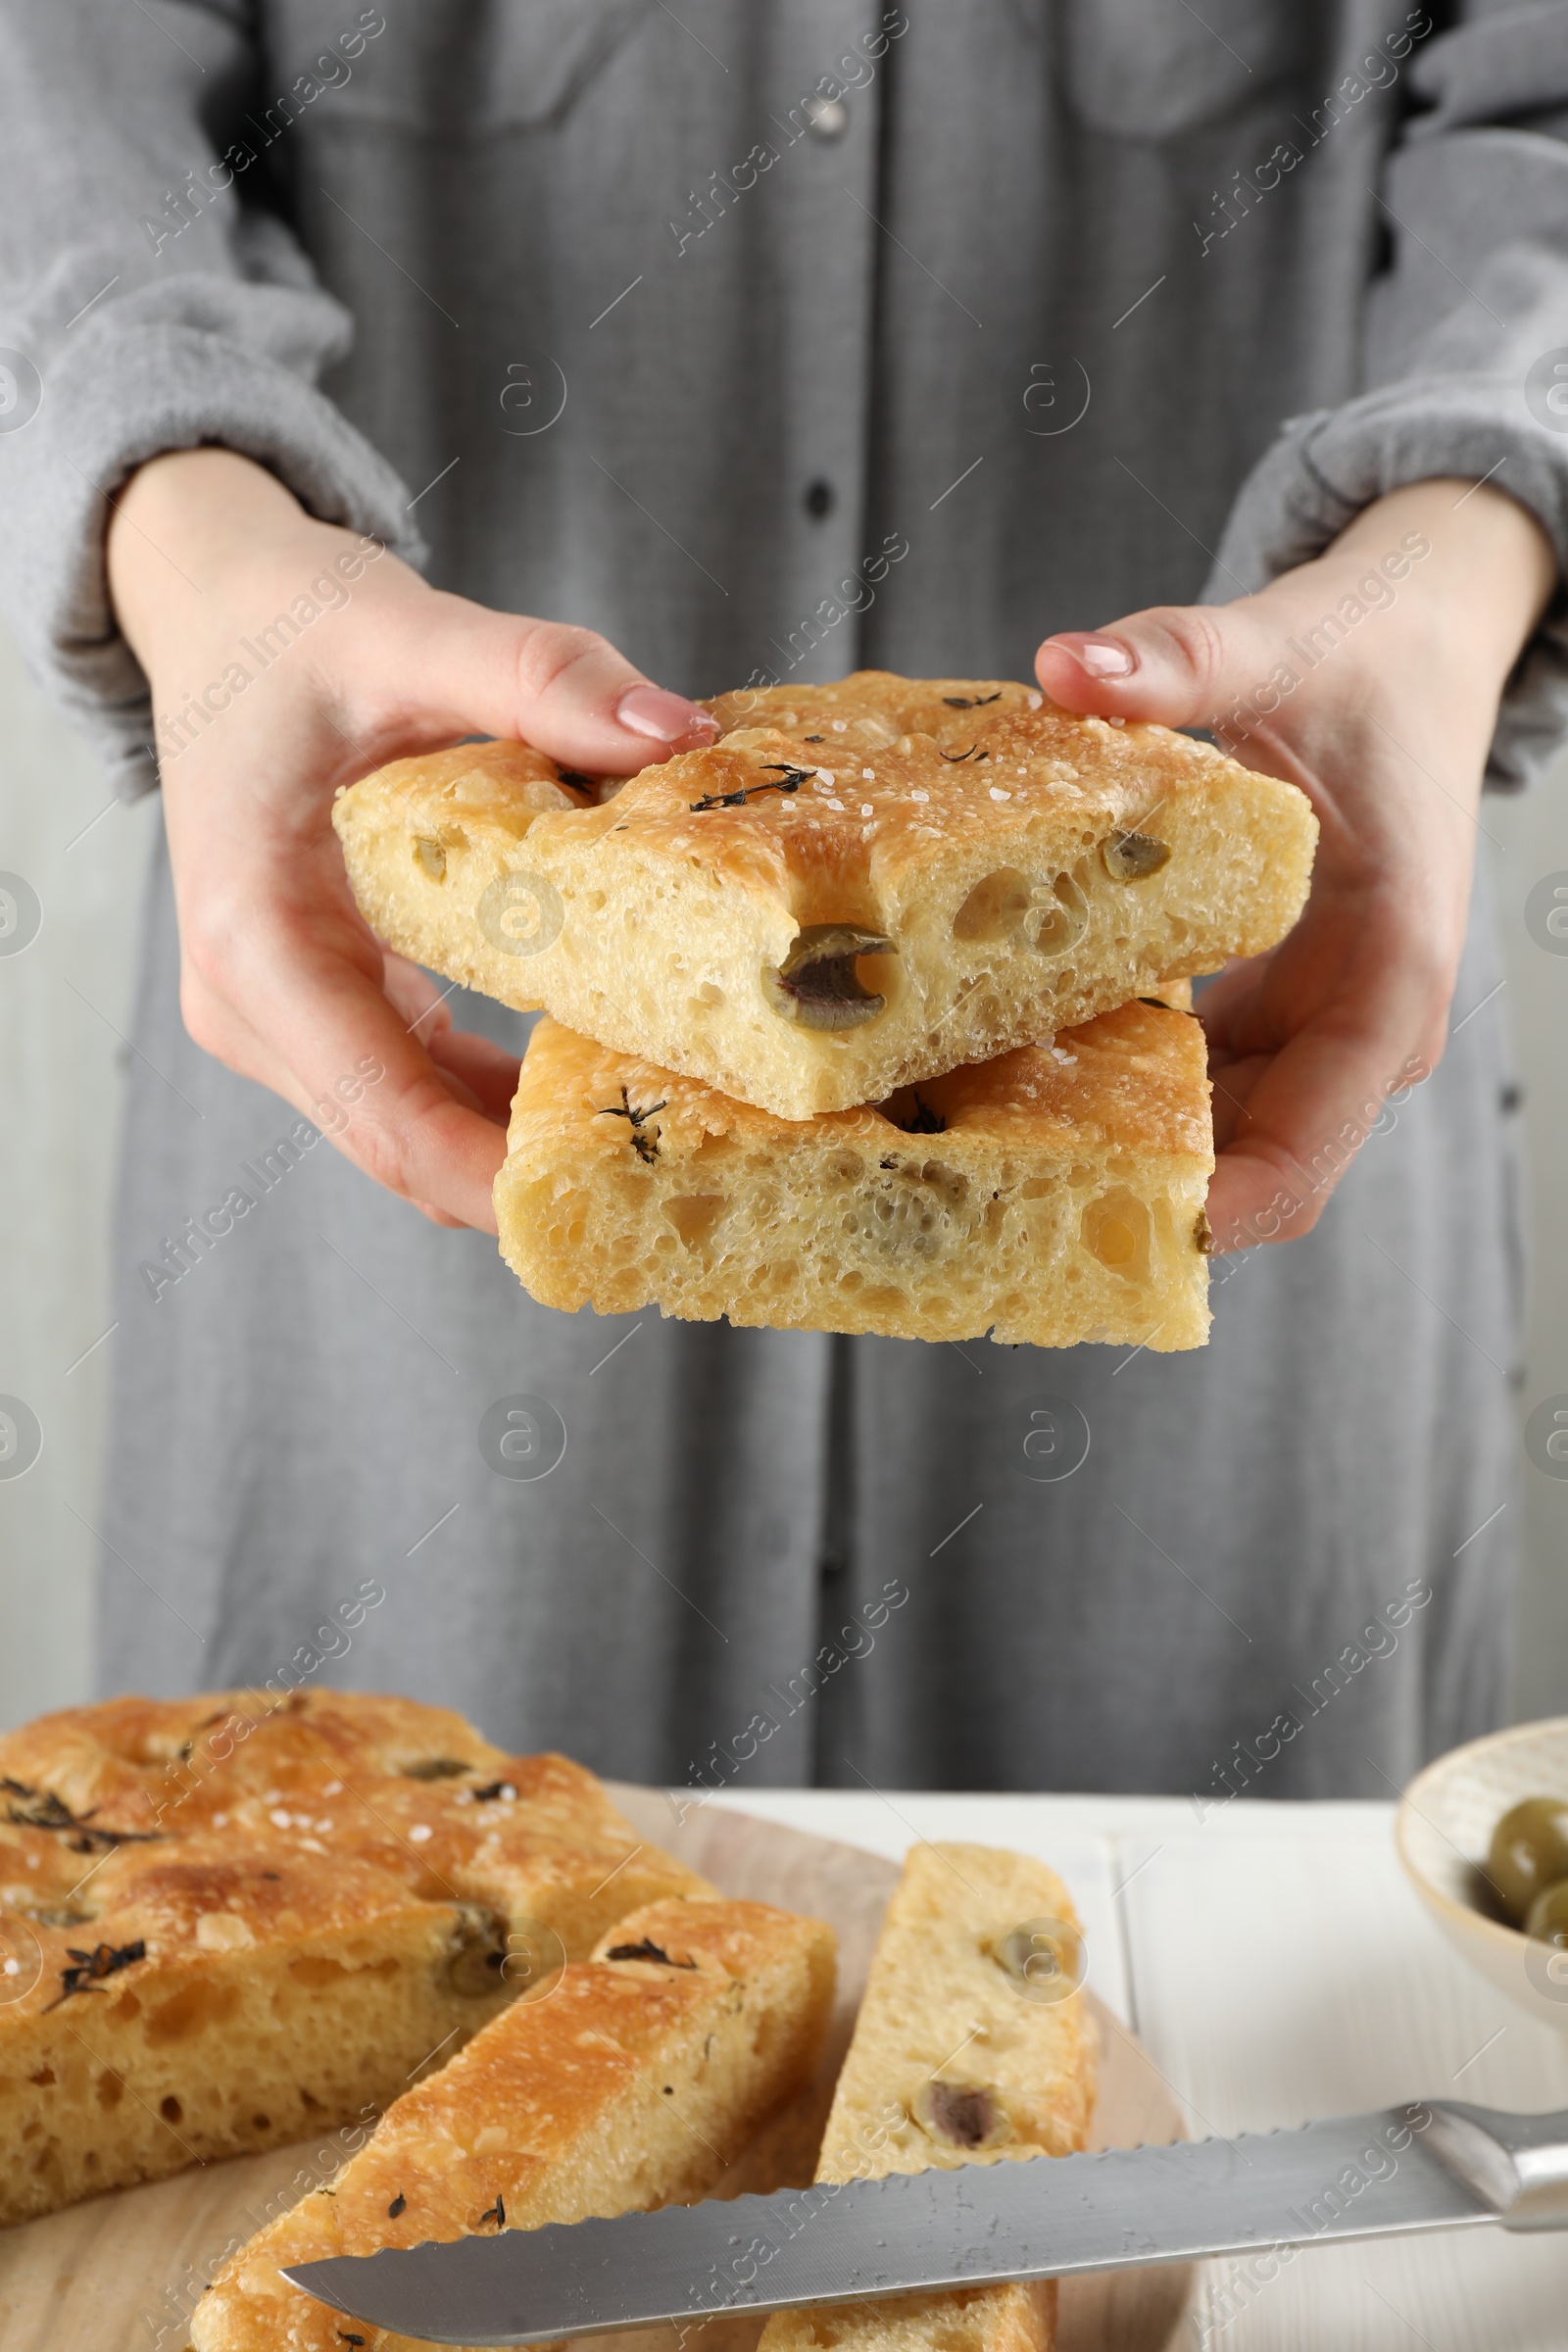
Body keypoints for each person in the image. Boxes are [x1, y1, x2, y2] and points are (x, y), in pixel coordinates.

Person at [1, 2, 1563, 1803]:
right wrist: (194, 536)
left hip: (1265, 1036)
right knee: (369, 1979)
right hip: (395, 1147)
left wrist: (1458, 548)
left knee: (1219, 2047)